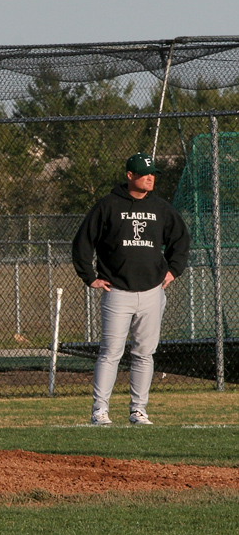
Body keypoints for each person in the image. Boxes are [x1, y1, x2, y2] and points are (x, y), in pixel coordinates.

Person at [72, 152, 190, 426]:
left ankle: (138, 410)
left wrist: (173, 270)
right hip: (117, 292)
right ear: (129, 176)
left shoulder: (161, 208)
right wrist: (90, 277)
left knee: (144, 353)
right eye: (144, 173)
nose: (150, 177)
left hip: (151, 292)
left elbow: (181, 241)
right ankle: (100, 411)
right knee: (110, 352)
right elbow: (82, 243)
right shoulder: (108, 205)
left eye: (153, 174)